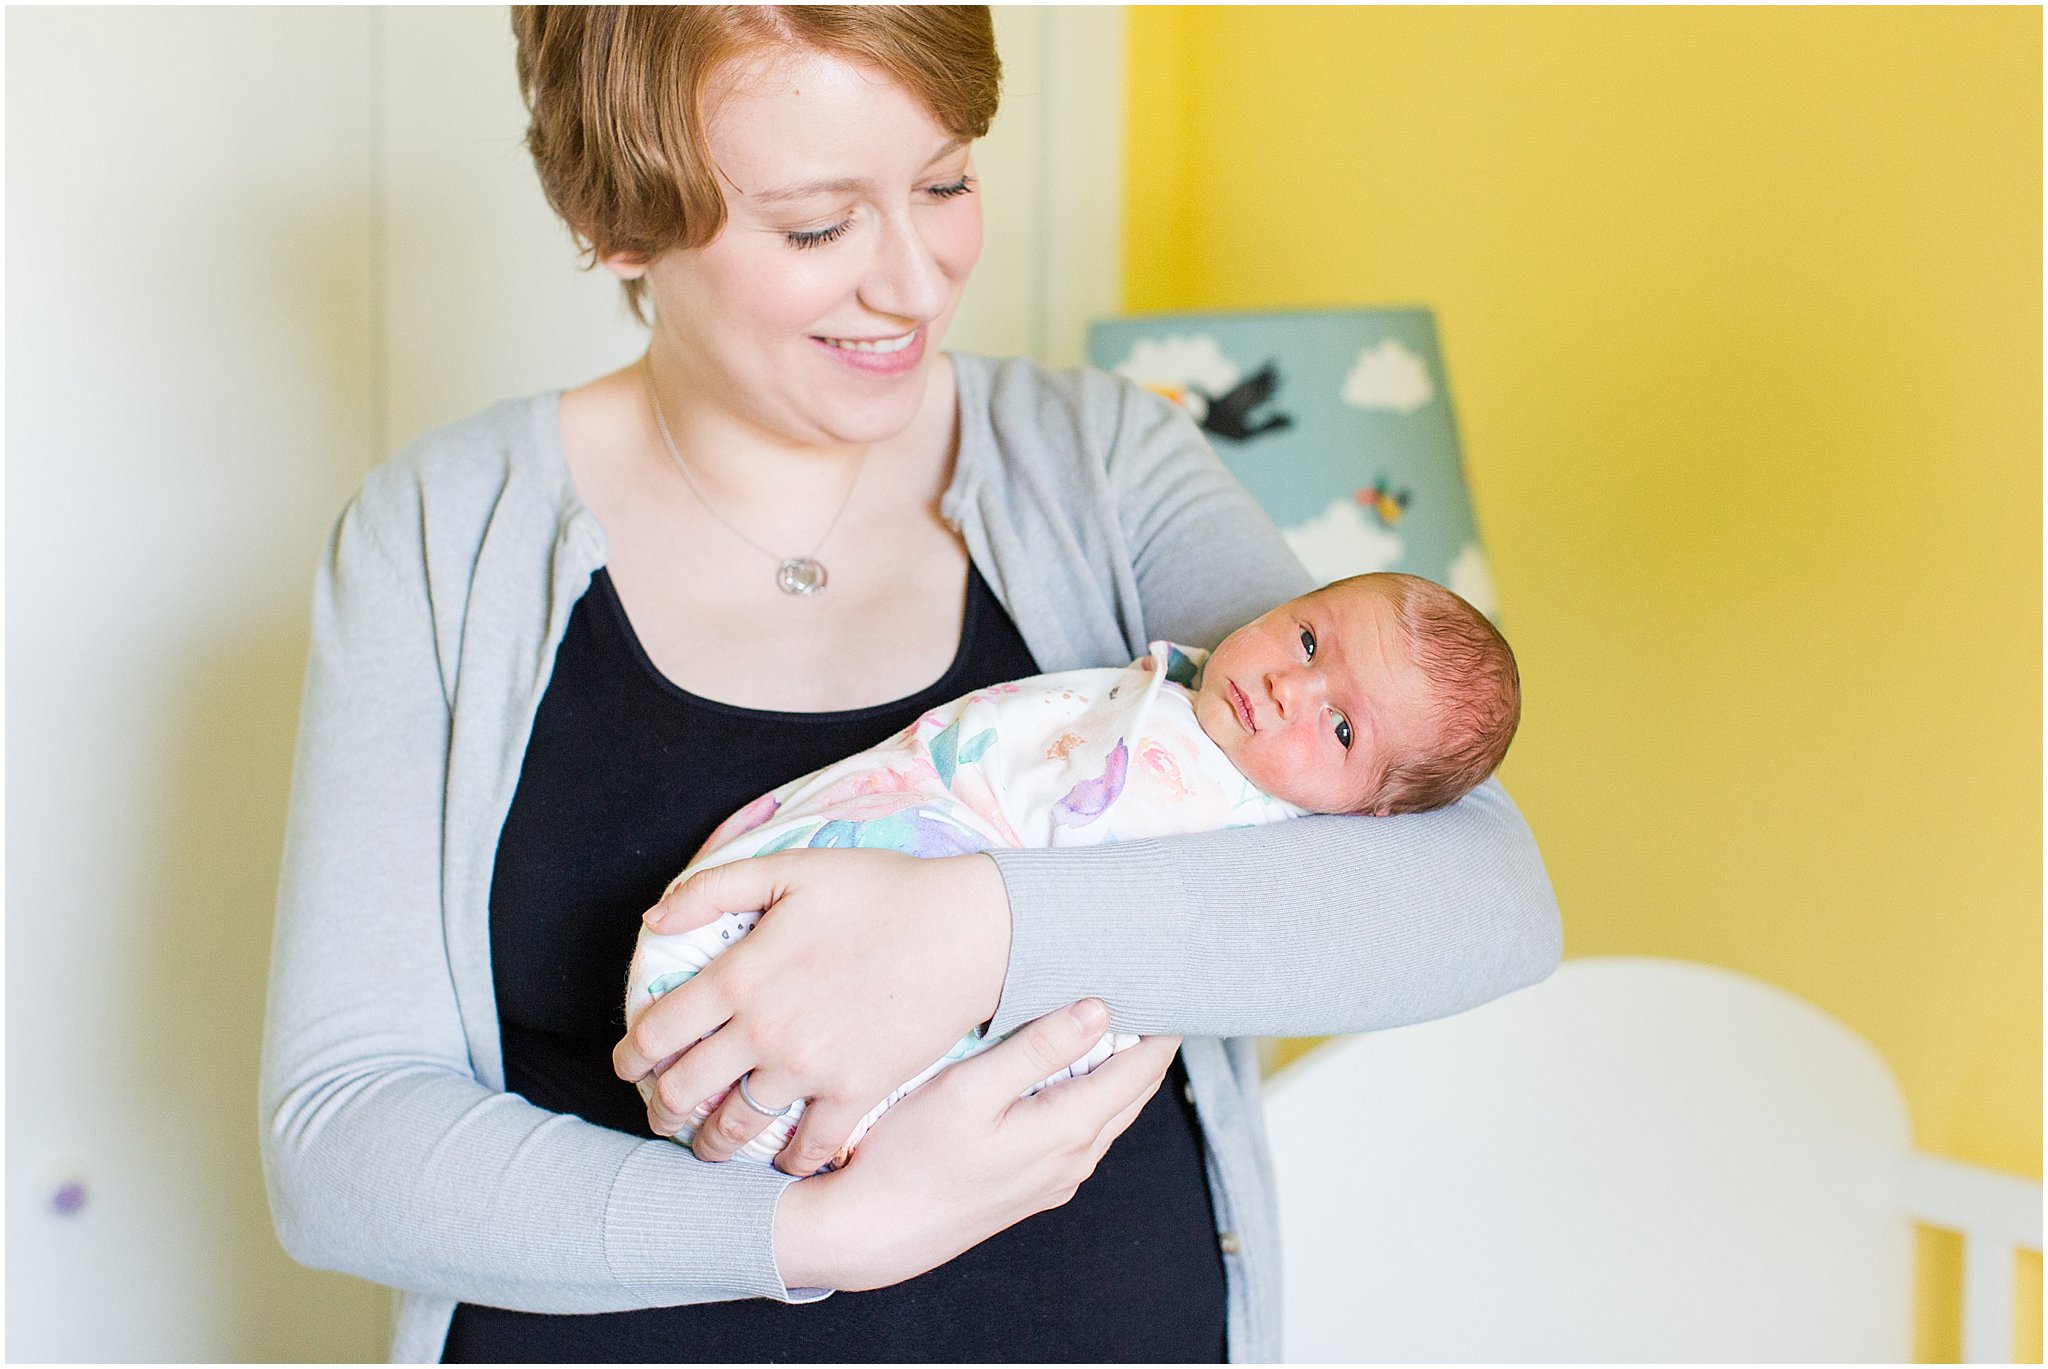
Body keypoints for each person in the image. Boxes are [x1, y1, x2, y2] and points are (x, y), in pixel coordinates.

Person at [258, 7, 1561, 1363]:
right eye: (817, 227)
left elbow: (1487, 901)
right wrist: (820, 1235)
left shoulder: (1103, 469)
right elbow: (340, 1139)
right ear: (618, 221)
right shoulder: (442, 534)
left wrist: (971, 934)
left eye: (945, 182)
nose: (916, 283)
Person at [626, 571, 1522, 1167]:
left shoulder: (1236, 828)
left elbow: (1510, 911)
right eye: (1310, 640)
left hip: (901, 1046)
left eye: (1340, 729)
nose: (1293, 686)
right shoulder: (1185, 690)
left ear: (1372, 815)